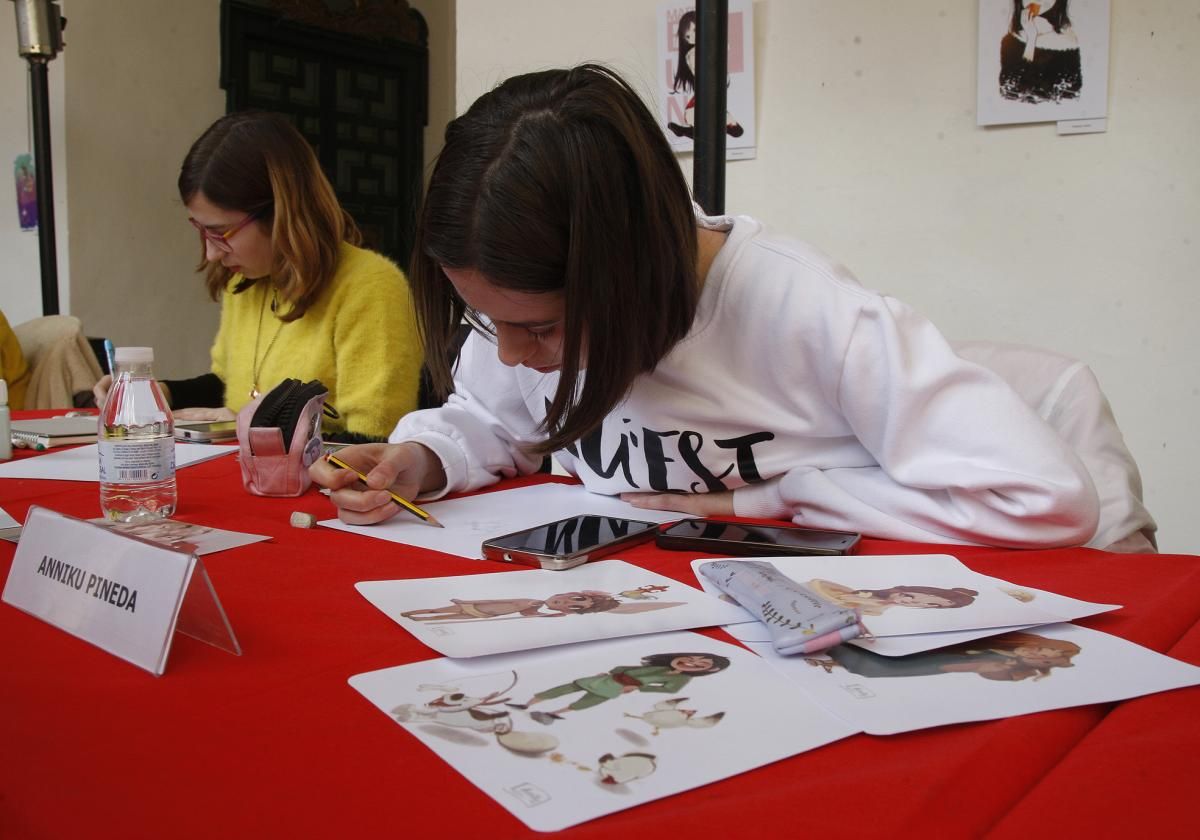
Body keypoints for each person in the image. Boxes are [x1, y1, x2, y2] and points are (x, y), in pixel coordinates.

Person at [310, 64, 1102, 549]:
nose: (512, 352)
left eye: (541, 327)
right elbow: (495, 414)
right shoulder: (518, 313)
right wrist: (424, 455)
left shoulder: (806, 314)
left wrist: (773, 496)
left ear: (633, 269)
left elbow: (1043, 501)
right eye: (488, 320)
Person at [93, 111, 423, 440]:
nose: (211, 253)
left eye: (220, 232)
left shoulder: (370, 286)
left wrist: (260, 424)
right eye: (201, 231)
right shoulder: (244, 284)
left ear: (281, 212)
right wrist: (157, 394)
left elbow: (374, 440)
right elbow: (232, 385)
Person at [998, 0, 1082, 104]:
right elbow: (1010, 91)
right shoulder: (1010, 41)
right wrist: (1031, 40)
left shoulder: (1068, 42)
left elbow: (1069, 95)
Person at [806, 581, 979, 616]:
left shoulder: (877, 611)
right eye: (912, 597)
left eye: (932, 606)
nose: (913, 603)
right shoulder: (829, 586)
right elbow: (814, 587)